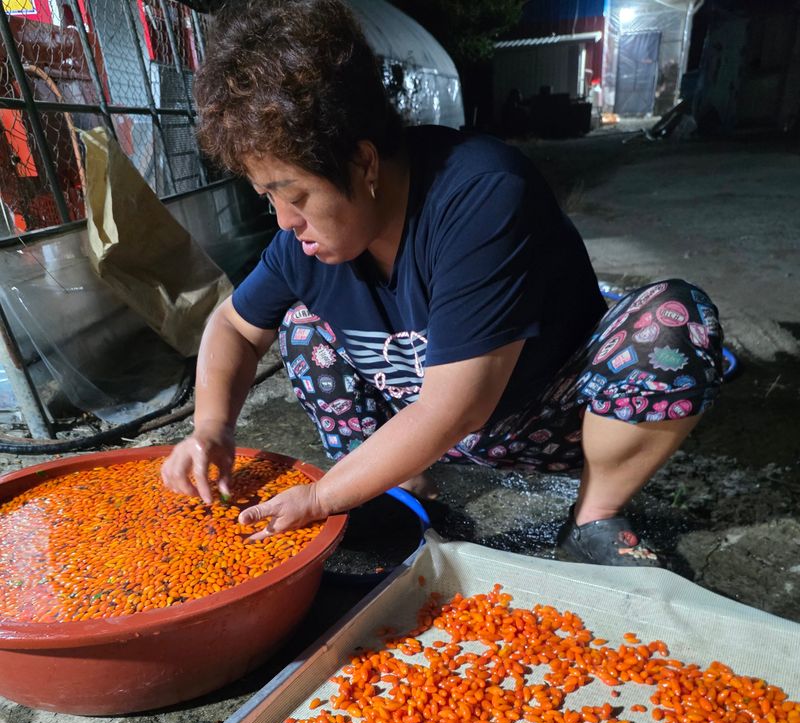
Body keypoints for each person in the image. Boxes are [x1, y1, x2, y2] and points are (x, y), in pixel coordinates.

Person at [161, 0, 724, 567]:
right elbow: (232, 325)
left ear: (364, 163)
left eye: (297, 195)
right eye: (269, 198)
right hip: (429, 426)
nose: (285, 220)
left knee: (675, 324)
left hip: (544, 416)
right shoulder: (302, 245)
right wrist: (210, 429)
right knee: (303, 327)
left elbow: (454, 408)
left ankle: (594, 520)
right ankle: (409, 496)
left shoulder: (481, 195)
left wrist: (322, 496)